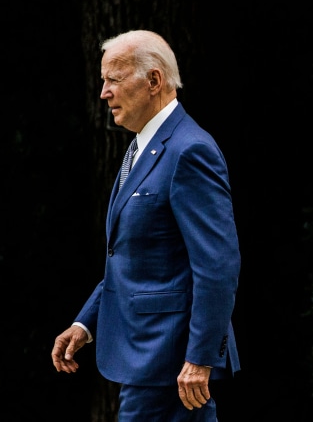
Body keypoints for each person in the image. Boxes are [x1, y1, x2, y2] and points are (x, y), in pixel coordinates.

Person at [51, 29, 241, 421]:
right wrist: (85, 323)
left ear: (153, 80)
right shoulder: (142, 146)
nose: (104, 92)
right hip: (151, 363)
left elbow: (217, 266)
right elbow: (133, 257)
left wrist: (200, 359)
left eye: (114, 80)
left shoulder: (190, 150)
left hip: (171, 365)